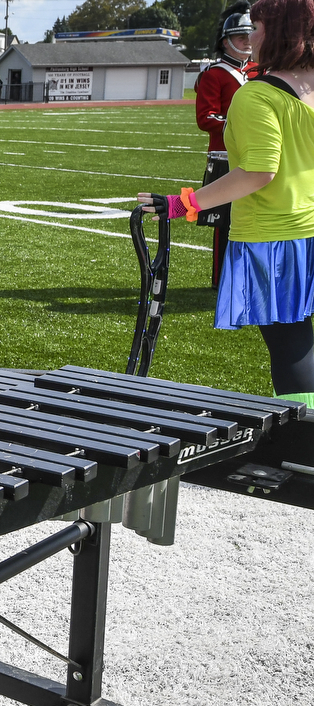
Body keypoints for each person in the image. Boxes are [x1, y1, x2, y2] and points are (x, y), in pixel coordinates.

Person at [140, 0, 314, 408]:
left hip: (275, 236)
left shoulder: (258, 95)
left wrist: (184, 204)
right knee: (300, 337)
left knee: (290, 342)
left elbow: (257, 172)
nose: (251, 36)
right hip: (308, 226)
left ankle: (306, 444)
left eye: (258, 27)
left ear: (281, 32)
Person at [195, 2, 257, 289]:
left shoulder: (258, 71)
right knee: (224, 221)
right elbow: (206, 118)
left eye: (250, 34)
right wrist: (241, 125)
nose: (248, 40)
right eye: (241, 36)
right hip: (224, 154)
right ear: (226, 41)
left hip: (256, 154)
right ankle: (222, 281)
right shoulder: (214, 75)